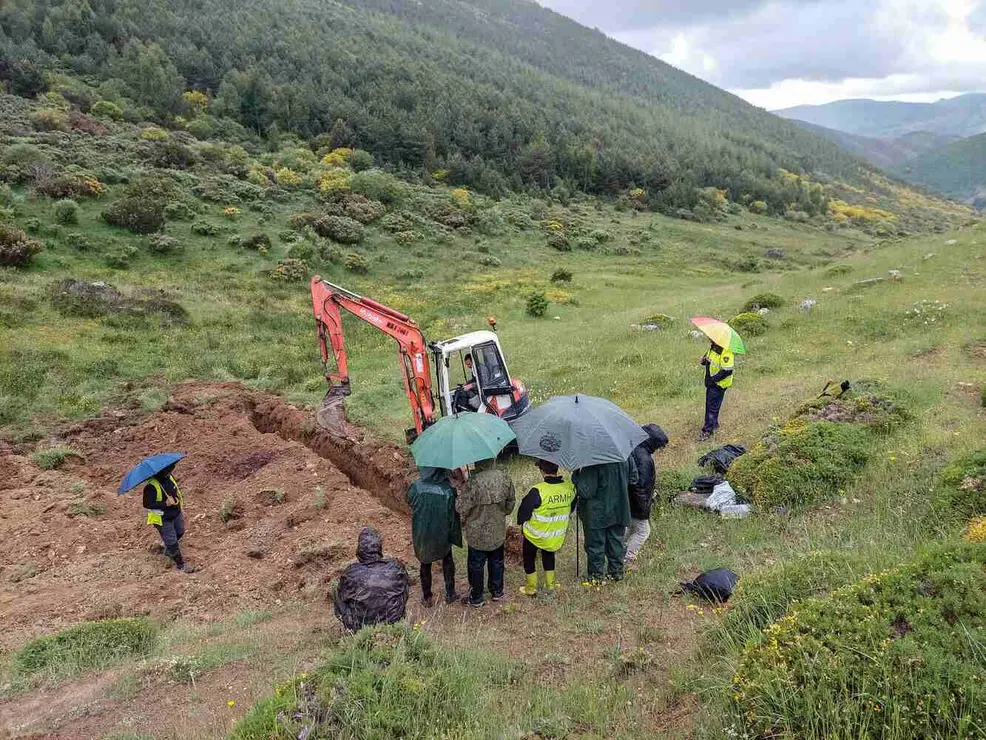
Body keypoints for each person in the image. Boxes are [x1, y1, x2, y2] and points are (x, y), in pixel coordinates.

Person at [455, 459, 516, 607]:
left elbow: (461, 509)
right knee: (497, 561)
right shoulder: (504, 478)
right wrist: (501, 514)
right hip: (497, 530)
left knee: (476, 565)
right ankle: (497, 592)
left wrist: (464, 521)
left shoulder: (472, 483)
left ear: (477, 462)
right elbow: (511, 502)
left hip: (477, 534)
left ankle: (476, 597)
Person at [517, 459, 576, 596]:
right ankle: (550, 586)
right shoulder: (569, 487)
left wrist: (521, 523)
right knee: (549, 555)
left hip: (534, 535)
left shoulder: (537, 491)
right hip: (554, 535)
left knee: (529, 558)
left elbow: (523, 514)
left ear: (542, 471)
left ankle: (531, 588)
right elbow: (571, 508)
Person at [334, 527, 410, 631]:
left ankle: (352, 629)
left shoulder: (350, 573)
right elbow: (405, 593)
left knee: (336, 590)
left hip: (362, 629)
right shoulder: (396, 567)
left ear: (359, 549)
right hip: (394, 626)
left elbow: (342, 597)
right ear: (379, 547)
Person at [406, 467, 462, 607]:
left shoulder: (416, 487)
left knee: (425, 563)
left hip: (422, 532)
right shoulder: (448, 489)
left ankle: (427, 597)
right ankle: (450, 593)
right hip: (442, 532)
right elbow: (453, 514)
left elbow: (409, 500)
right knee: (447, 560)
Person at [572, 460, 630, 582]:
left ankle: (596, 576)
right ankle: (616, 573)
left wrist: (576, 476)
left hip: (597, 513)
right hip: (619, 508)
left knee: (595, 545)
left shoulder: (593, 461)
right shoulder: (624, 456)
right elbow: (634, 478)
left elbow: (586, 491)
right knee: (616, 542)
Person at [626, 424, 669, 563]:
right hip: (638, 503)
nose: (657, 449)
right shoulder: (645, 459)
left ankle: (614, 553)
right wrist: (643, 508)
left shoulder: (633, 450)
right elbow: (639, 486)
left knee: (629, 528)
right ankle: (627, 559)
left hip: (628, 500)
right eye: (658, 446)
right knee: (643, 531)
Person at [700, 341, 735, 440]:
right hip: (711, 383)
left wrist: (713, 380)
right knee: (711, 405)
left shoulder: (726, 352)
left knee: (712, 407)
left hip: (718, 384)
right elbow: (708, 362)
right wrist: (704, 361)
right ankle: (714, 424)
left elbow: (727, 371)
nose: (710, 339)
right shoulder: (712, 348)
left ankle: (708, 431)